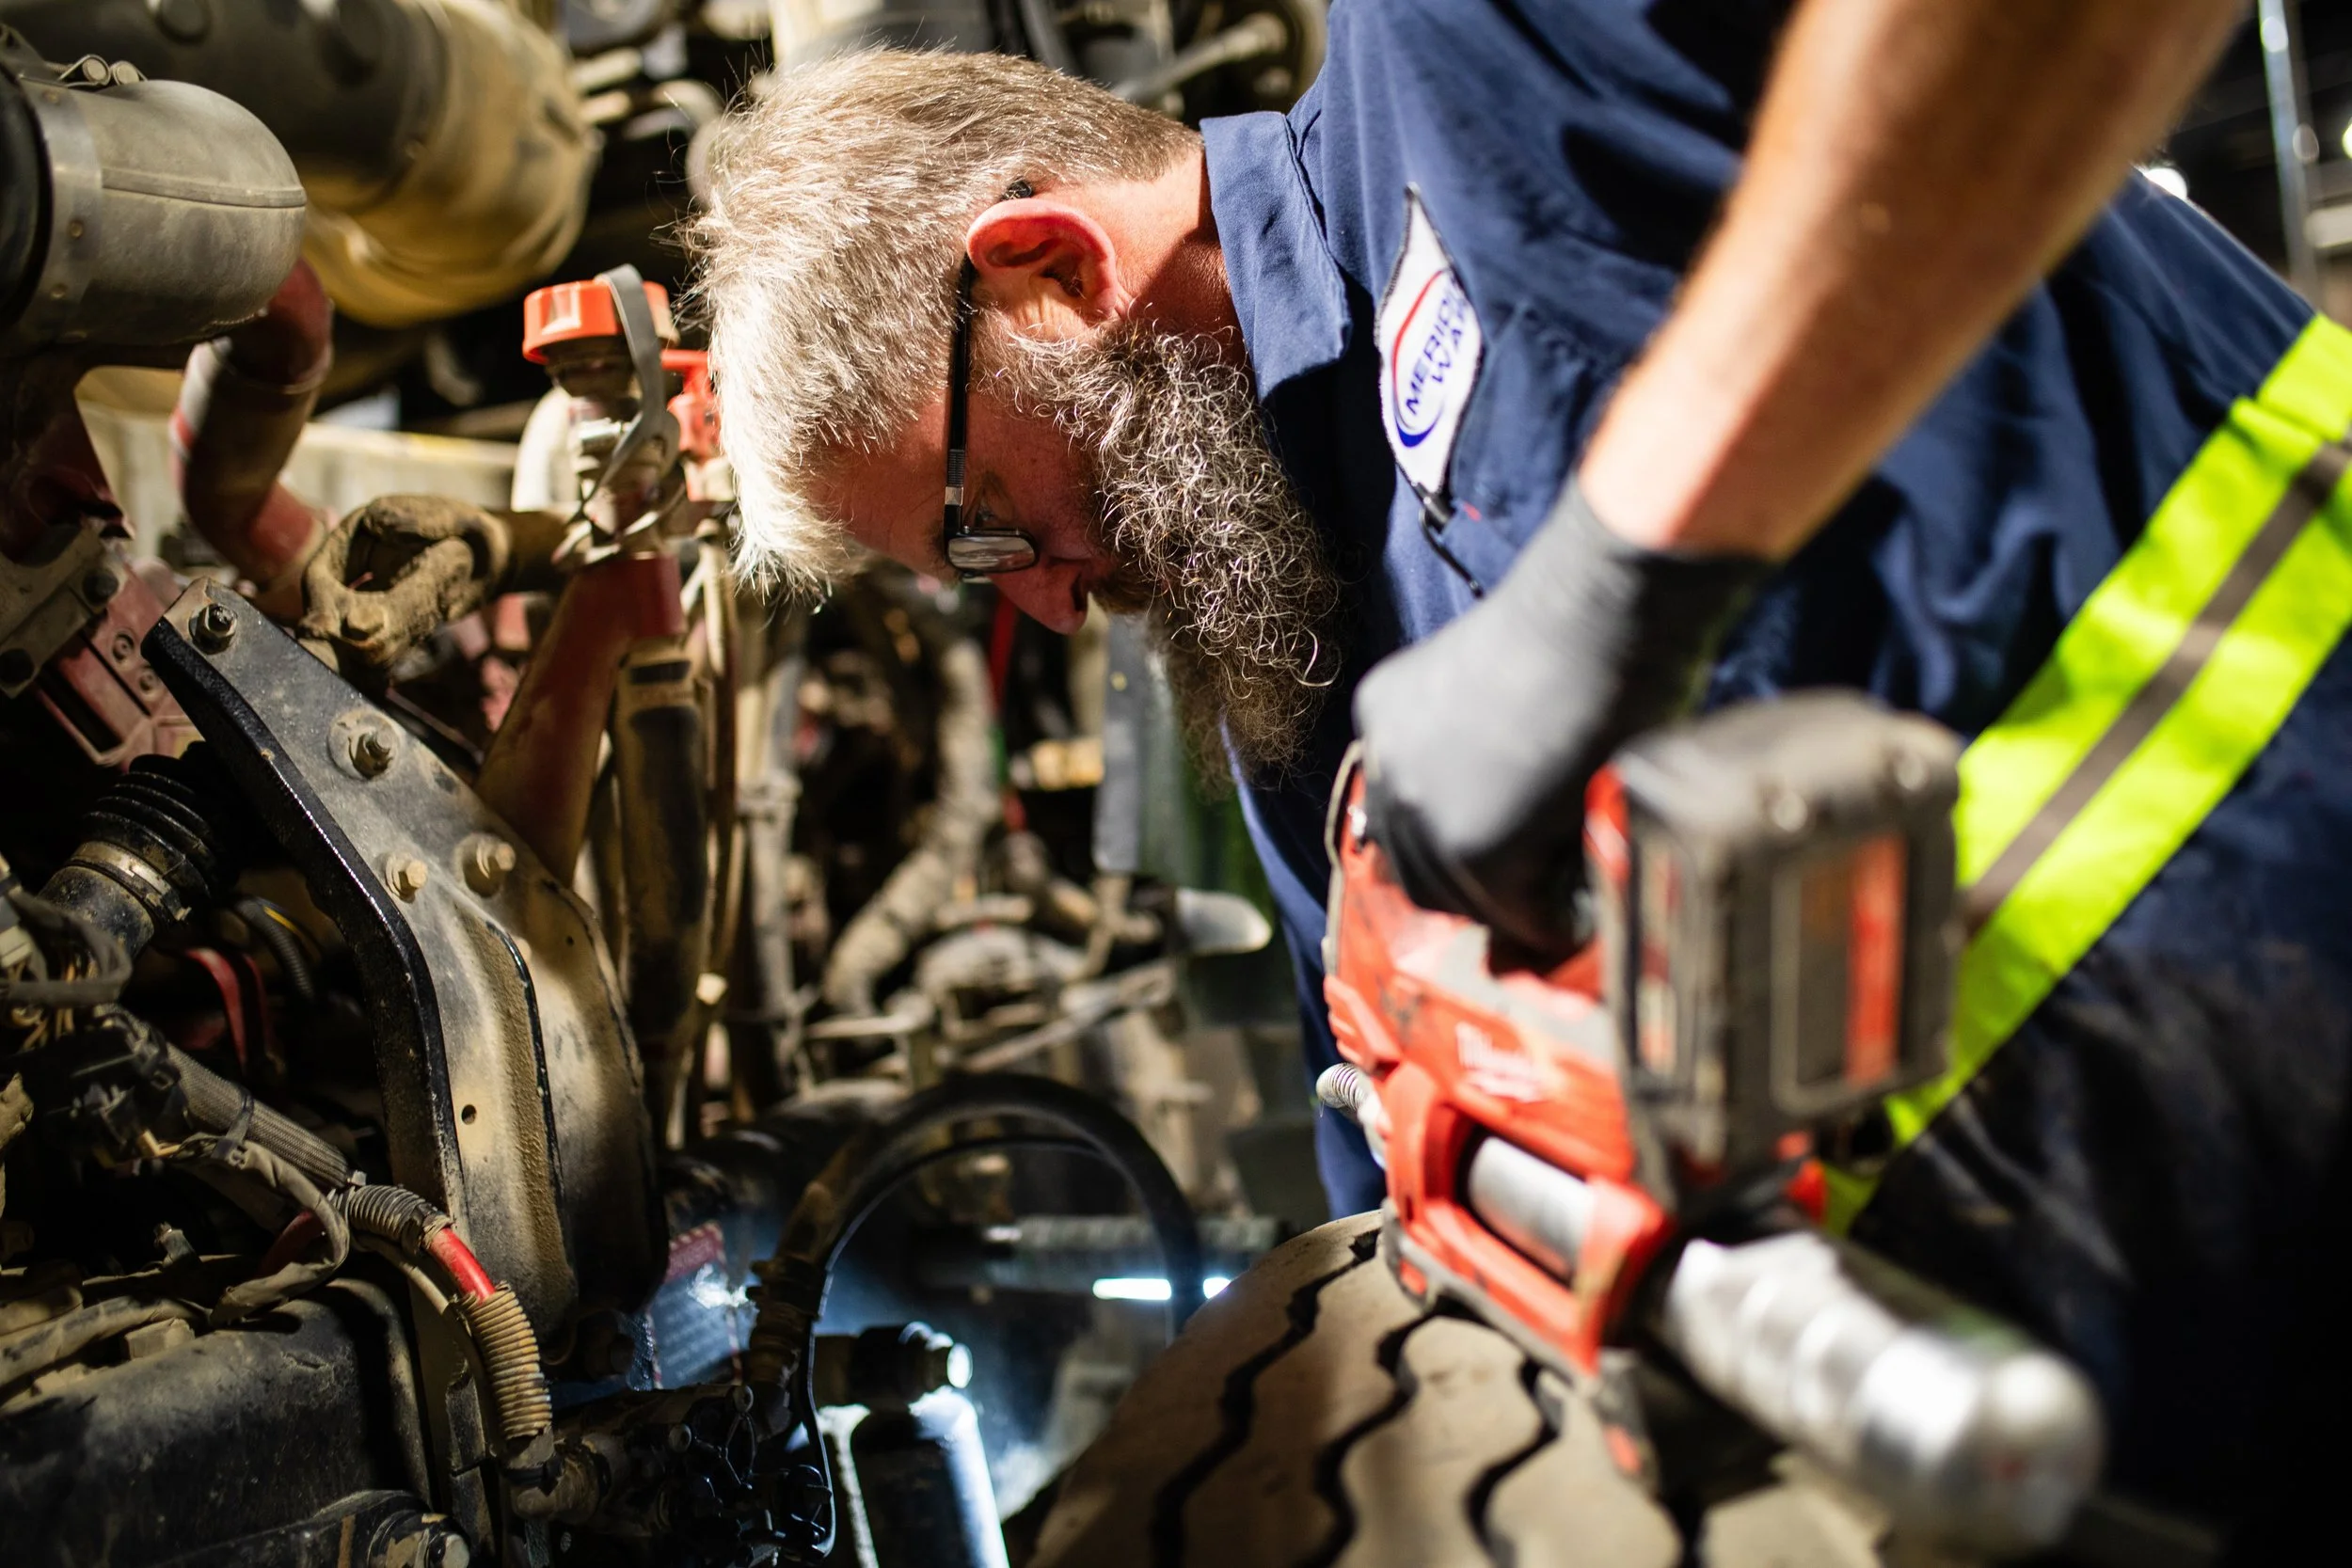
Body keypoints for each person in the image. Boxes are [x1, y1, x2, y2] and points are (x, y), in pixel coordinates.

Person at [692, 0, 2352, 1544]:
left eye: (982, 525)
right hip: (2058, 1387)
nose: (1048, 599)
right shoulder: (1298, 691)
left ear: (1047, 265)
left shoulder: (1473, 44)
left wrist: (1624, 572)